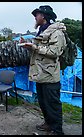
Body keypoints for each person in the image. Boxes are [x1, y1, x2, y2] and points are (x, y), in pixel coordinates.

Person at [21, 5, 66, 135]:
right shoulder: (42, 30)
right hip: (40, 74)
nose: (35, 17)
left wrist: (34, 47)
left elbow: (55, 51)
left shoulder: (56, 32)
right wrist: (29, 46)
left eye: (37, 14)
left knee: (53, 104)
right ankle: (48, 124)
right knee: (43, 102)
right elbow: (40, 50)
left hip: (50, 75)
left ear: (44, 16)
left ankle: (57, 131)